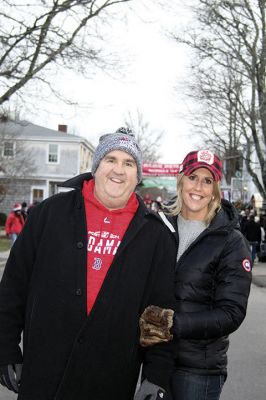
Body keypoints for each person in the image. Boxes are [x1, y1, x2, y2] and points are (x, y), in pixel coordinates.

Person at [0, 127, 176, 400]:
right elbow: (13, 286)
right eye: (111, 160)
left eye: (128, 163)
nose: (119, 170)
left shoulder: (155, 235)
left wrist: (156, 375)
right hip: (45, 372)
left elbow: (159, 311)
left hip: (110, 378)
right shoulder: (49, 214)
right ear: (96, 166)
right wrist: (6, 348)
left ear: (138, 176)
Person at [138, 149, 252, 400]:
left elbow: (232, 313)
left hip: (198, 370)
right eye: (193, 177)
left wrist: (173, 323)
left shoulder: (230, 241)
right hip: (155, 362)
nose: (198, 186)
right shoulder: (159, 227)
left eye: (208, 180)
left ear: (215, 189)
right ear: (180, 180)